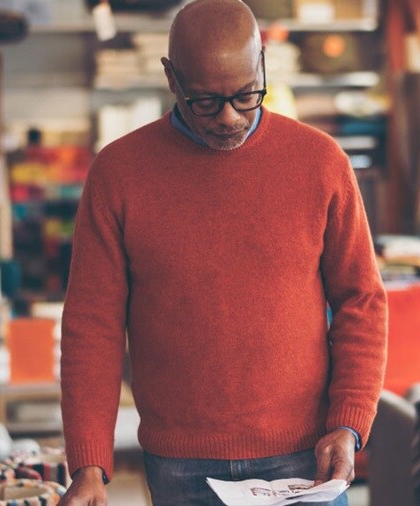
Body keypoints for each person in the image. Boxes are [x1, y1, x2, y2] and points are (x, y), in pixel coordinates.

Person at [58, 0, 388, 504]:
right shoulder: (118, 173)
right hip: (180, 464)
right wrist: (89, 465)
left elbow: (361, 301)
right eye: (206, 101)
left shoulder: (321, 163)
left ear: (263, 63)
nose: (229, 116)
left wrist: (349, 423)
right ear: (172, 79)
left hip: (307, 453)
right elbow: (91, 327)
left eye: (245, 95)